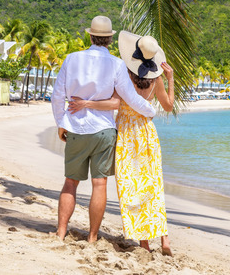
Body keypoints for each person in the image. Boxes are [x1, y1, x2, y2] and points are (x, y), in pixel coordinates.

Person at [50, 16, 157, 243]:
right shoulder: (116, 64)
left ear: (90, 35)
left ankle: (60, 232)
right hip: (103, 131)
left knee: (70, 182)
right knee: (100, 184)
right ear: (109, 39)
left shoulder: (71, 58)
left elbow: (57, 96)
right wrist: (151, 111)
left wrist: (61, 123)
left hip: (76, 129)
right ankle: (92, 236)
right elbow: (130, 97)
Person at [68, 31, 174, 256]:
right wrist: (171, 79)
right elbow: (168, 107)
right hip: (146, 135)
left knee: (132, 188)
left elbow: (114, 103)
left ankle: (144, 243)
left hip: (126, 136)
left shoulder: (124, 75)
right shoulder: (157, 81)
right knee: (153, 185)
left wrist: (87, 103)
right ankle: (164, 239)